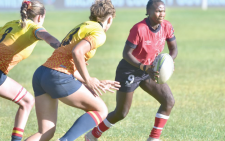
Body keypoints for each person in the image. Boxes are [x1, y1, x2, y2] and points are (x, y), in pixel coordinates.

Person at [25, 0, 119, 141]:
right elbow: (77, 52)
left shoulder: (83, 26)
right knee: (101, 110)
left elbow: (68, 61)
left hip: (42, 73)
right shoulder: (99, 33)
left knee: (45, 133)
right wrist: (88, 80)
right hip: (57, 75)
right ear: (110, 19)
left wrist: (94, 82)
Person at [85, 0, 178, 141]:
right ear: (149, 12)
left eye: (163, 10)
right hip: (129, 71)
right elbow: (126, 53)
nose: (161, 14)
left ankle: (153, 138)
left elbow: (173, 49)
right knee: (121, 113)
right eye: (158, 11)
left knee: (168, 101)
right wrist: (143, 67)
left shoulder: (167, 26)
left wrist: (169, 63)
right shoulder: (139, 29)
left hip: (150, 70)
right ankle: (93, 135)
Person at [0, 1, 60, 141]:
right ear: (40, 17)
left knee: (27, 101)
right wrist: (65, 52)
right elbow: (48, 37)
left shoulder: (11, 24)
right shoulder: (33, 27)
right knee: (26, 101)